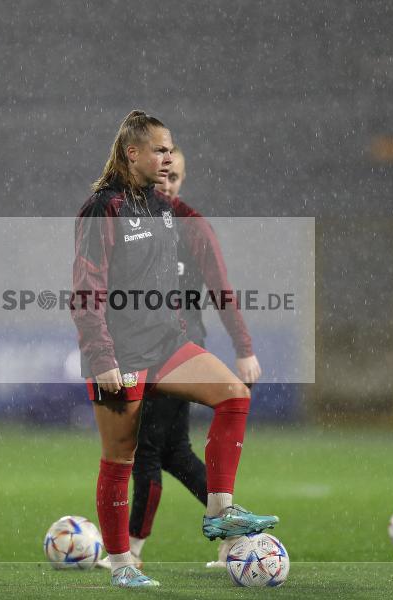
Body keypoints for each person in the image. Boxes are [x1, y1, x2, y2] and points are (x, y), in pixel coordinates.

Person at [71, 111, 277, 588]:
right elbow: (86, 289)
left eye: (170, 150)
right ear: (133, 154)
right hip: (121, 354)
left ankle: (219, 513)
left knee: (234, 395)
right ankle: (123, 565)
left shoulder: (163, 209)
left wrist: (180, 328)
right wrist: (102, 358)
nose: (168, 157)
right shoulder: (104, 208)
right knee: (121, 459)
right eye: (160, 150)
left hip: (166, 345)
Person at [126, 146, 262, 569]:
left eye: (174, 177)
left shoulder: (192, 226)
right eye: (160, 176)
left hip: (176, 353)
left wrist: (244, 348)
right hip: (146, 349)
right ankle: (235, 535)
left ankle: (129, 552)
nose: (166, 184)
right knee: (174, 453)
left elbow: (222, 290)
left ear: (182, 180)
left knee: (146, 451)